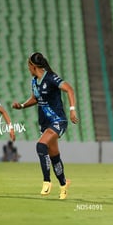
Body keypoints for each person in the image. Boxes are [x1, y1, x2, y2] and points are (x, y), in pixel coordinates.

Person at [12, 52, 79, 200]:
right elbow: (36, 98)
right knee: (54, 156)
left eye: (28, 66)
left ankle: (47, 181)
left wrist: (72, 110)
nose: (28, 69)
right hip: (45, 123)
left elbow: (69, 89)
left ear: (33, 65)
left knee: (41, 146)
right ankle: (63, 186)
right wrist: (22, 105)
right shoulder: (34, 81)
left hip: (58, 120)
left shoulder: (51, 78)